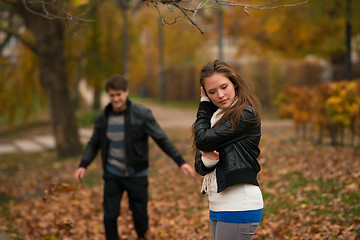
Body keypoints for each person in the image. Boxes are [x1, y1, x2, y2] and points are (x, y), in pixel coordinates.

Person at [75, 75, 195, 240]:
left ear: (127, 92)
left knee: (140, 218)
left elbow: (161, 139)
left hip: (137, 174)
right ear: (108, 95)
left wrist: (180, 162)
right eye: (112, 95)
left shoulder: (142, 114)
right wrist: (83, 165)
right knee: (109, 216)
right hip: (112, 175)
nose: (115, 99)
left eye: (119, 94)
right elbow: (94, 143)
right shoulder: (104, 118)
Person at [193, 60, 263, 240]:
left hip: (239, 204)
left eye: (224, 86)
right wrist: (208, 161)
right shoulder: (215, 120)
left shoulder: (245, 114)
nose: (220, 95)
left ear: (234, 83)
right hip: (217, 205)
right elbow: (199, 167)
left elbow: (202, 140)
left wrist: (204, 106)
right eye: (212, 92)